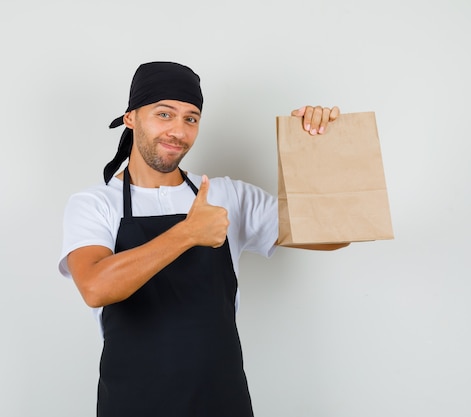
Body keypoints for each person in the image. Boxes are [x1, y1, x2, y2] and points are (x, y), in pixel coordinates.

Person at [58, 61, 344, 417]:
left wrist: (318, 147)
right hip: (133, 403)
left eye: (191, 118)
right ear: (130, 117)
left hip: (222, 401)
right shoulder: (94, 204)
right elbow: (95, 287)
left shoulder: (229, 196)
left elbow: (334, 233)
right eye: (165, 114)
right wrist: (187, 234)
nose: (178, 131)